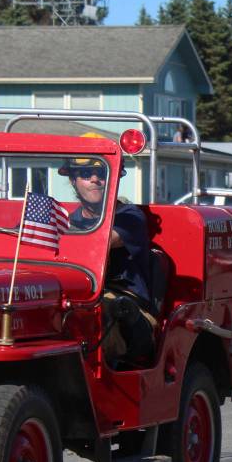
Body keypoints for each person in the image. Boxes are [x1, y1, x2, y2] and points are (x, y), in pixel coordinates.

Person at [63, 158, 156, 369]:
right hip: (78, 295)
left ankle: (97, 374)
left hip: (129, 305)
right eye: (86, 174)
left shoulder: (129, 216)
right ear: (73, 180)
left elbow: (101, 242)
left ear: (115, 178)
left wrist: (56, 236)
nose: (95, 180)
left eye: (103, 174)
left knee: (98, 308)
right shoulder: (70, 221)